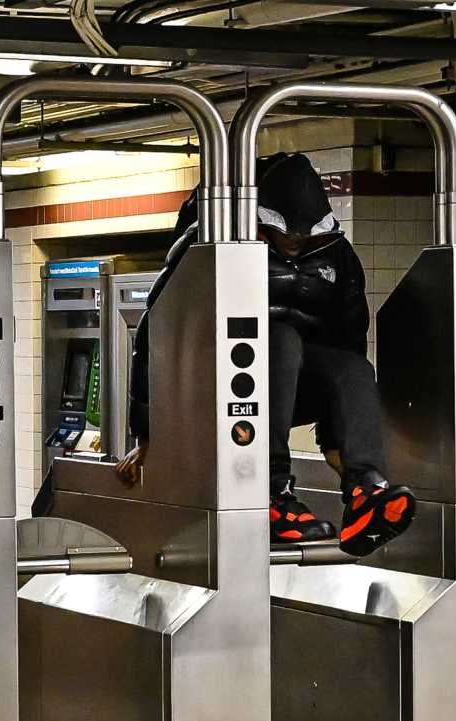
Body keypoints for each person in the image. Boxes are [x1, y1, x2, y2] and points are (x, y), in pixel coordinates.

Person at [117, 152, 415, 557]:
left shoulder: (338, 256)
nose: (295, 245)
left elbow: (347, 341)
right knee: (280, 341)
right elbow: (155, 330)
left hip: (288, 391)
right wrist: (150, 434)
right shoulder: (213, 240)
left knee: (354, 366)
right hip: (216, 389)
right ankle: (272, 491)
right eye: (286, 236)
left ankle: (365, 489)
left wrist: (336, 436)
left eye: (306, 240)